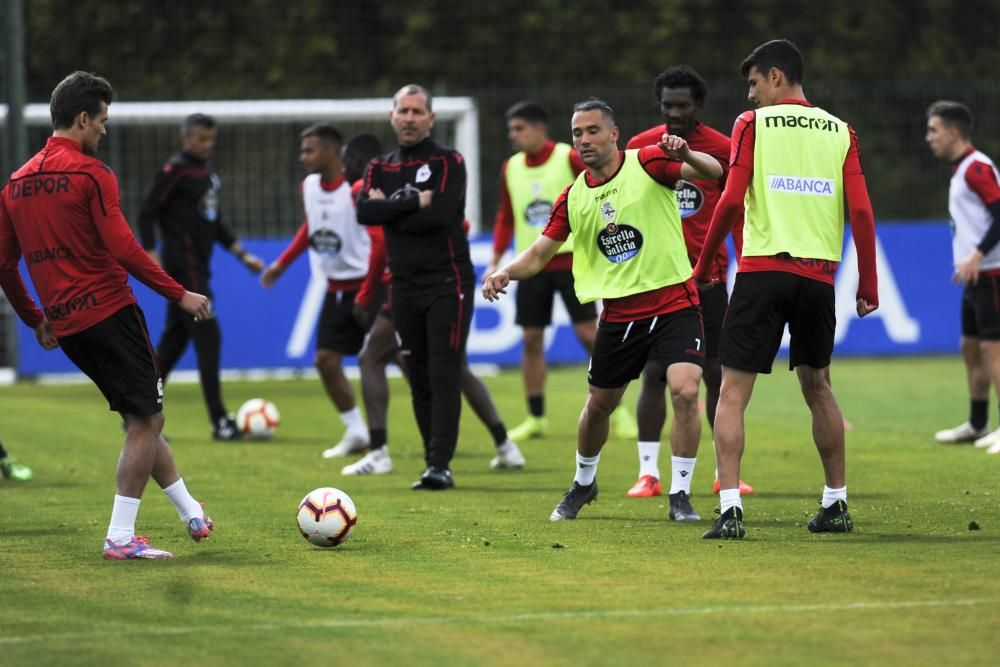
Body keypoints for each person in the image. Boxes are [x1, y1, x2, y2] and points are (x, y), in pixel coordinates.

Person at [0, 71, 215, 559]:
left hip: (69, 325)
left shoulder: (15, 185)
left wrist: (35, 318)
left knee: (141, 417)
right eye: (102, 120)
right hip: (111, 312)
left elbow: (3, 264)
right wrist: (179, 293)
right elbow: (123, 248)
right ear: (82, 118)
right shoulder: (92, 175)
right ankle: (120, 537)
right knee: (147, 419)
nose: (105, 130)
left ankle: (189, 511)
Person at [483, 99, 723, 522]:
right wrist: (505, 273)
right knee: (599, 407)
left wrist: (684, 153)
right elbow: (539, 254)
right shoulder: (573, 196)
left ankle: (680, 494)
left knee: (686, 391)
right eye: (577, 133)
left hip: (675, 301)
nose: (584, 140)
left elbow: (713, 172)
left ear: (614, 134)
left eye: (593, 130)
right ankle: (583, 482)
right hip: (619, 314)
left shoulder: (648, 163)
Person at [693, 39, 879, 539]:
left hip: (762, 272)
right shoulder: (842, 131)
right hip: (818, 279)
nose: (749, 94)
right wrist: (868, 282)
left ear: (776, 77)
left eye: (753, 83)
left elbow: (731, 198)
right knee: (819, 388)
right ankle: (836, 504)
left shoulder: (752, 125)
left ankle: (730, 510)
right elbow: (860, 211)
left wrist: (707, 260)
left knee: (732, 393)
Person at [625, 65, 753, 510]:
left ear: (699, 106)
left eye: (683, 105)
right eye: (668, 106)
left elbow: (737, 208)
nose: (675, 113)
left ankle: (723, 474)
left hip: (709, 280)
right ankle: (647, 473)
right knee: (656, 375)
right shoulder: (641, 147)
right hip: (659, 281)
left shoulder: (723, 148)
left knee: (717, 373)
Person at [486, 101, 639, 443]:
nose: (514, 136)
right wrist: (496, 261)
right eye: (511, 130)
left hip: (571, 261)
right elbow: (506, 217)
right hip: (532, 265)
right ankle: (536, 417)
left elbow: (598, 190)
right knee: (531, 339)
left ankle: (620, 411)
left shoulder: (567, 157)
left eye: (520, 128)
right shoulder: (510, 168)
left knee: (589, 335)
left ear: (541, 129)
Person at [355, 84, 476, 490]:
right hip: (402, 287)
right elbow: (364, 212)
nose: (408, 117)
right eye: (402, 110)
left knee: (444, 373)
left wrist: (390, 208)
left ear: (431, 119)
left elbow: (441, 215)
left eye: (416, 111)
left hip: (448, 282)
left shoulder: (448, 161)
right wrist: (412, 202)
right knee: (419, 376)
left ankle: (440, 465)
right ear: (392, 116)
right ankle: (431, 461)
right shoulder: (379, 166)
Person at [138, 113, 264, 441]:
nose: (207, 145)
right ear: (186, 138)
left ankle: (137, 414)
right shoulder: (174, 171)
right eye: (201, 139)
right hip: (184, 269)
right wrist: (152, 255)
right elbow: (146, 212)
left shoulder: (206, 172)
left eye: (211, 139)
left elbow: (214, 220)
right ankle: (221, 421)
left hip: (199, 267)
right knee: (210, 337)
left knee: (172, 344)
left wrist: (241, 253)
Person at [260, 125, 372, 458]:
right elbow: (312, 226)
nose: (303, 156)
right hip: (335, 288)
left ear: (331, 152)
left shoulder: (356, 190)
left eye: (309, 150)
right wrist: (283, 263)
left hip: (367, 285)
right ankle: (356, 431)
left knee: (398, 357)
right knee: (325, 361)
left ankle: (434, 421)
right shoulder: (309, 186)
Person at [926, 101, 1000, 455]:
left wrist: (977, 255)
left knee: (993, 349)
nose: (929, 137)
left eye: (934, 130)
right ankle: (978, 423)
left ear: (953, 132)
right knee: (970, 349)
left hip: (992, 272)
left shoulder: (977, 168)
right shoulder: (961, 170)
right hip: (975, 275)